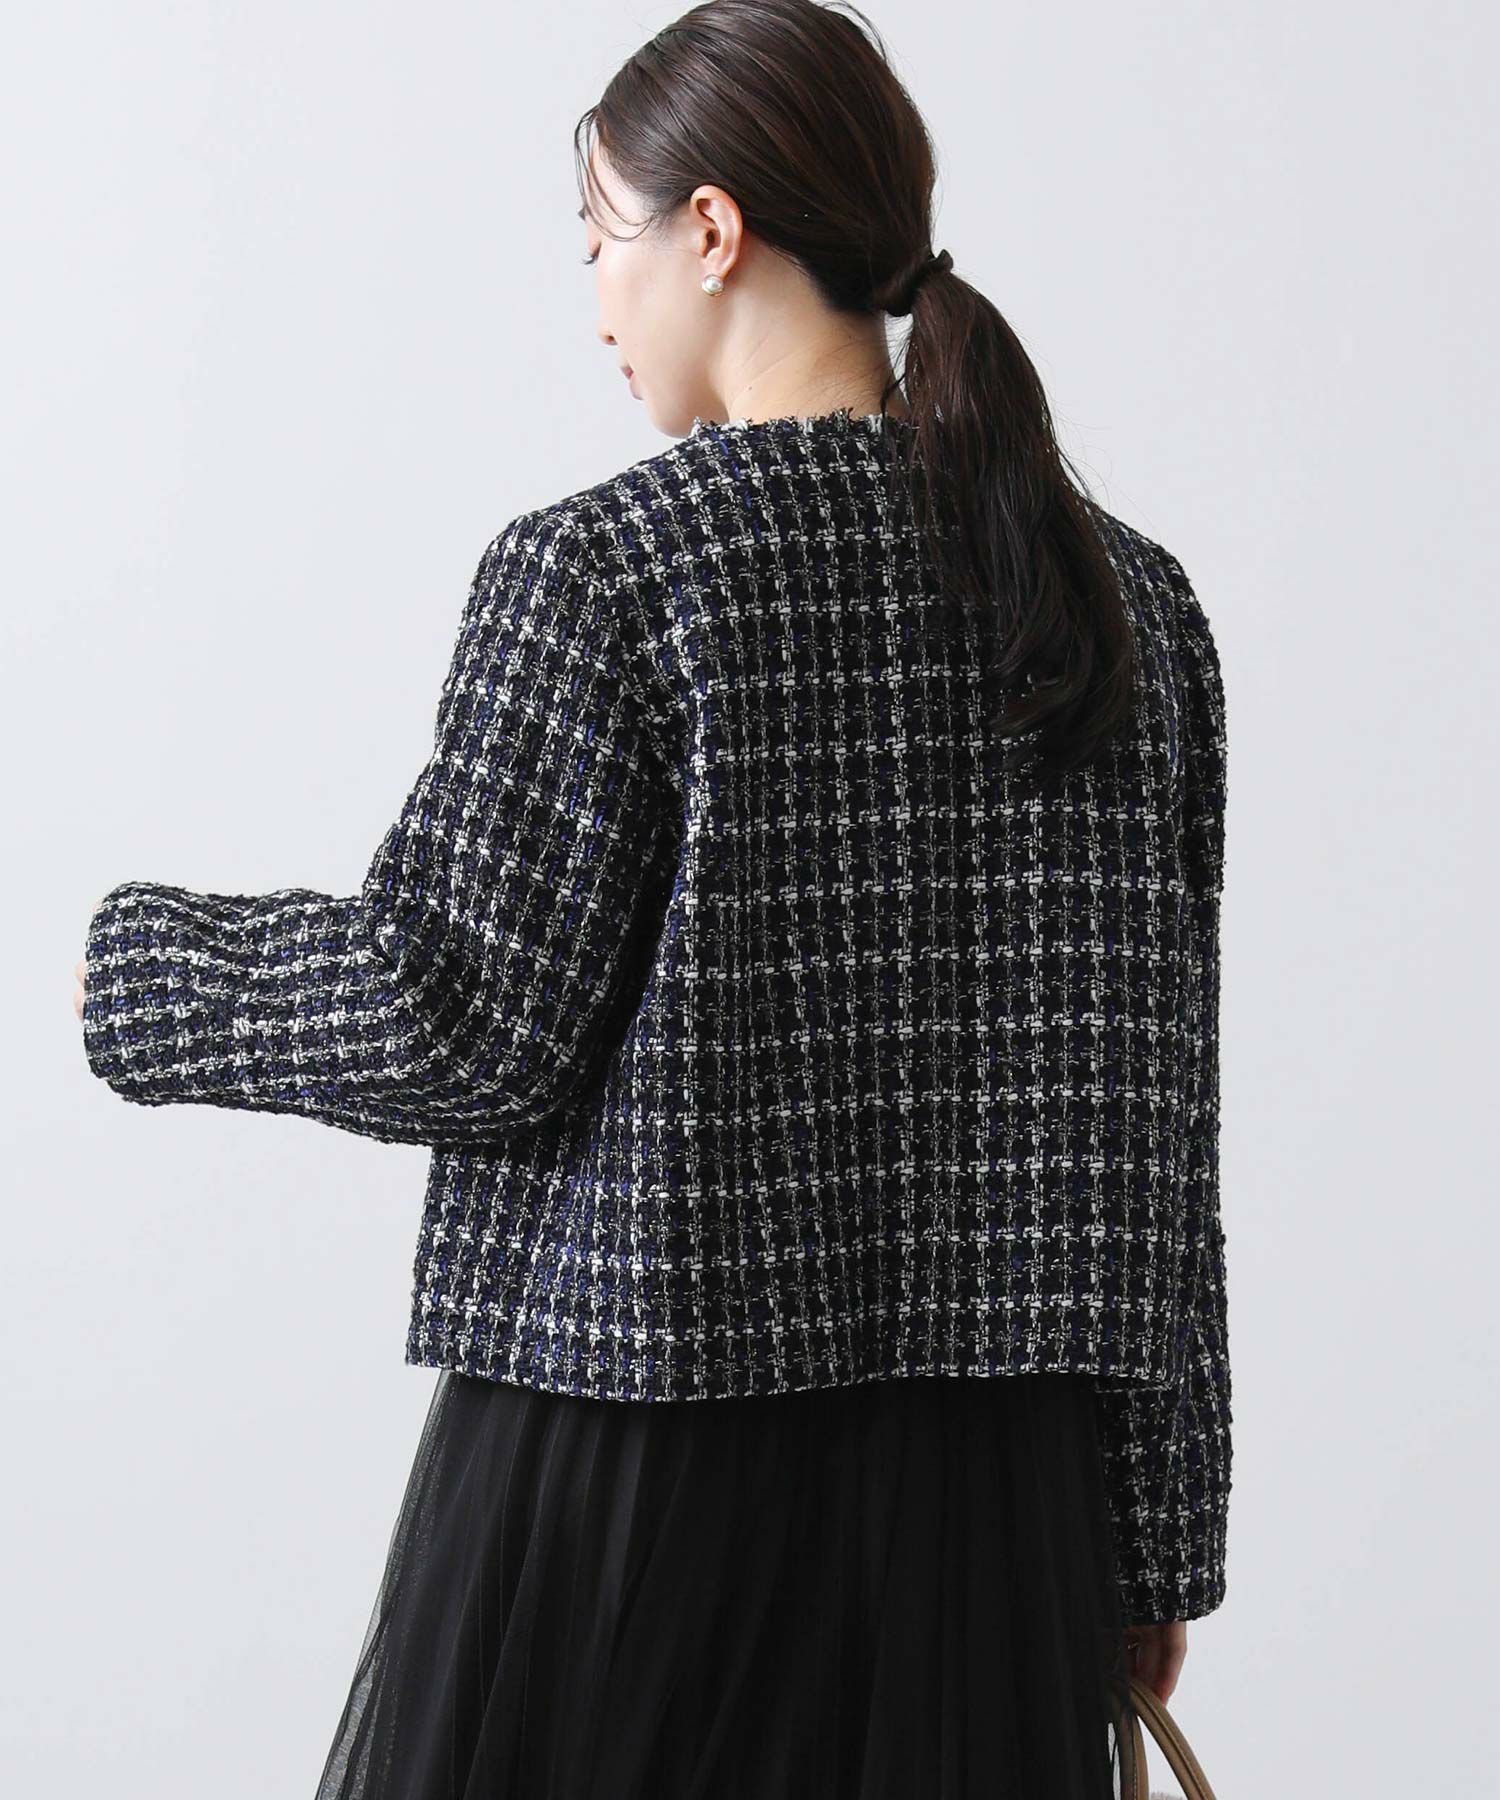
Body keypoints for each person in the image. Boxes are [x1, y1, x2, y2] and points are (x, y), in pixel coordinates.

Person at [75, 1, 1231, 1793]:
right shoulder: (1126, 606)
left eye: (599, 242)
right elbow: (1161, 1136)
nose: (597, 305)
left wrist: (132, 971)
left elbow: (458, 1014)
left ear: (713, 231)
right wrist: (1156, 1537)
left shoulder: (615, 570)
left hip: (652, 1477)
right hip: (996, 1507)